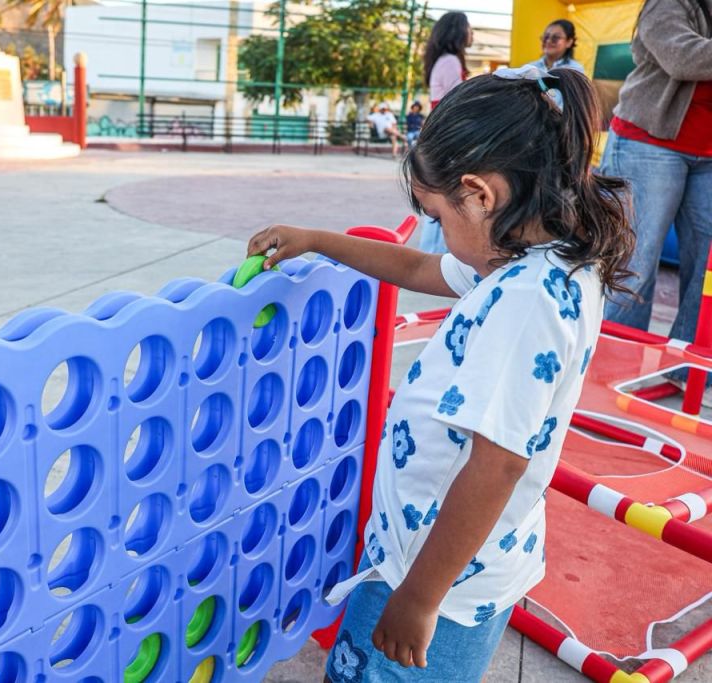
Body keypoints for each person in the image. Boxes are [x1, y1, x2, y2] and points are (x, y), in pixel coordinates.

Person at [248, 66, 633, 681]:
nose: (440, 235)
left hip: (435, 577)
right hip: (448, 557)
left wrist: (419, 599)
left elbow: (498, 464)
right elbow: (419, 270)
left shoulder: (525, 300)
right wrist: (319, 240)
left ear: (480, 195)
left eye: (437, 215)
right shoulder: (535, 256)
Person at [599, 0, 712, 405]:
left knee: (707, 270)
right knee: (635, 261)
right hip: (648, 143)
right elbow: (682, 57)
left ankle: (689, 371)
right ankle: (612, 369)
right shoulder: (667, 3)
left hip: (708, 154)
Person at [419, 11, 473, 254]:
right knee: (446, 196)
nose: (472, 33)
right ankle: (438, 254)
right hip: (447, 137)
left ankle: (435, 252)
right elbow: (455, 105)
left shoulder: (443, 60)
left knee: (440, 194)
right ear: (458, 31)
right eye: (469, 28)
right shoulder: (450, 61)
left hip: (441, 135)